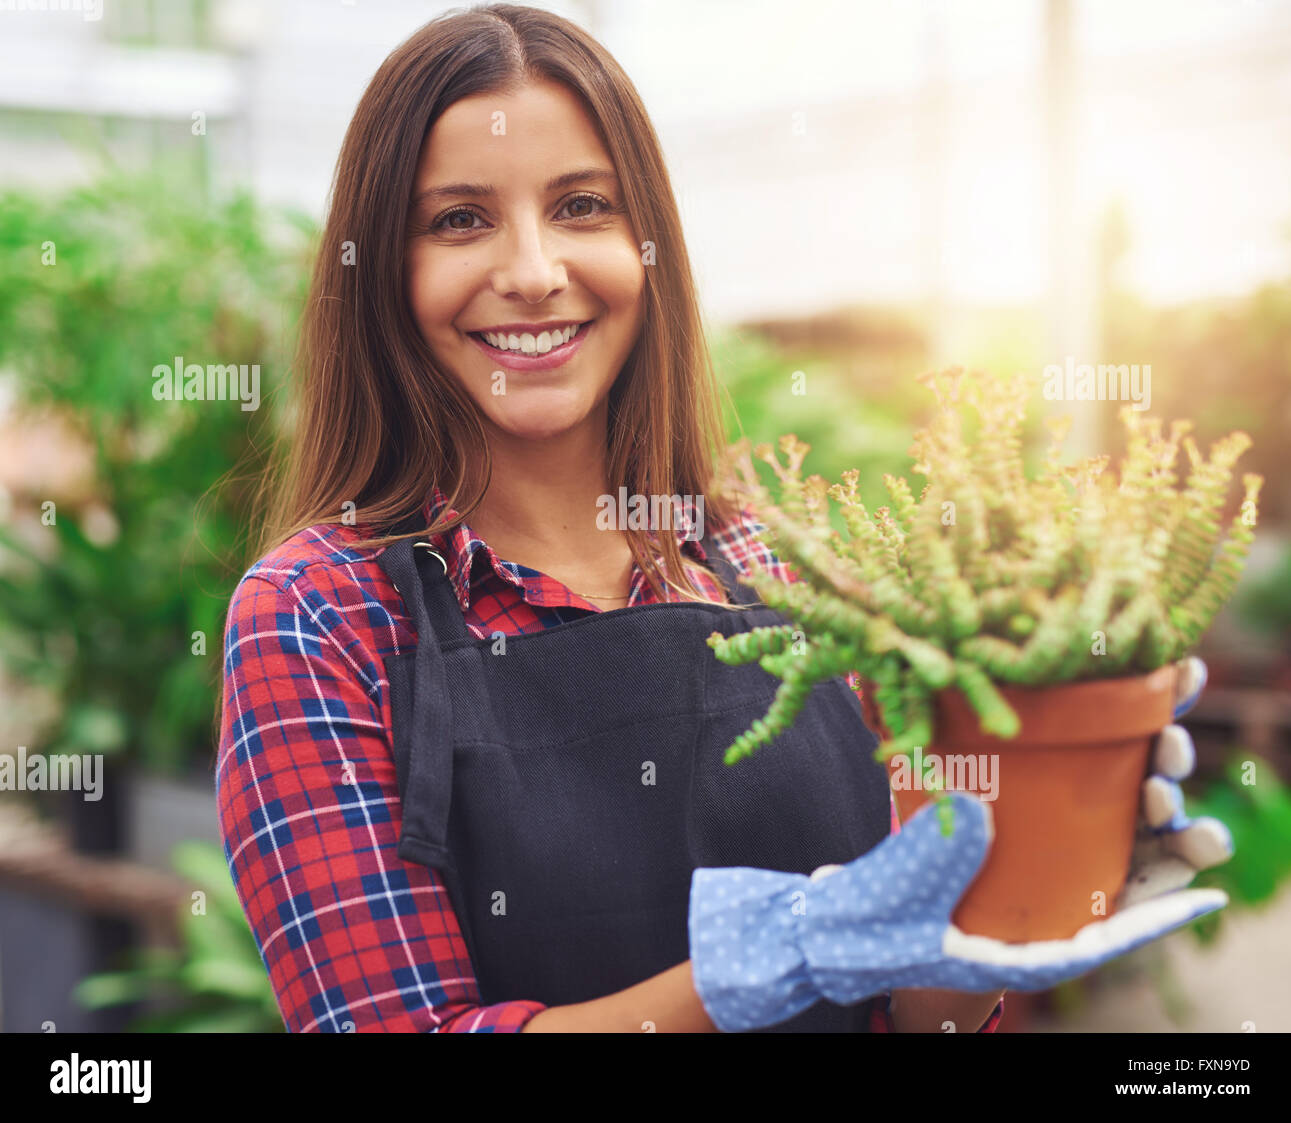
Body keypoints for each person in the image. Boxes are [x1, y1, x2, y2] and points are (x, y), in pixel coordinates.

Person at [216, 3, 1230, 1034]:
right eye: (459, 220)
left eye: (581, 206)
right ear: (382, 270)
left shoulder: (770, 560)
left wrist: (1005, 904)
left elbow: (913, 1007)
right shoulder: (317, 616)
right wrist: (762, 963)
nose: (530, 271)